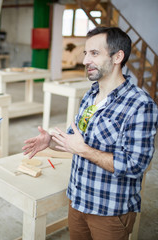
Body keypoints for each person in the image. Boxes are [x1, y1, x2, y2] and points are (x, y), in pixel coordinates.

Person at [23, 26, 158, 240]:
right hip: (78, 201)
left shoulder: (140, 105)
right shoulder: (90, 94)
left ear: (117, 57)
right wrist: (50, 141)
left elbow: (136, 165)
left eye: (94, 53)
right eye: (86, 53)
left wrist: (84, 150)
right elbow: (73, 139)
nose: (85, 60)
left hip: (110, 212)